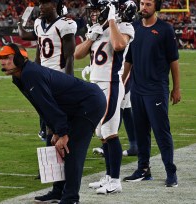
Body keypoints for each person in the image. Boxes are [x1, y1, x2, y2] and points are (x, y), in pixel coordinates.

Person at [0, 43, 106, 204]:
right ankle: (58, 191)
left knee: (71, 150)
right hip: (72, 107)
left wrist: (63, 133)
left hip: (89, 103)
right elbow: (41, 106)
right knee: (57, 149)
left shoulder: (30, 74)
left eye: (7, 58)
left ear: (19, 58)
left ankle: (71, 198)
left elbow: (48, 105)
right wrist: (54, 130)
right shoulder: (20, 76)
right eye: (1, 59)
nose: (3, 62)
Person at [74, 0, 135, 194]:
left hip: (111, 85)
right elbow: (77, 54)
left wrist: (110, 22)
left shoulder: (123, 26)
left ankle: (115, 181)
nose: (93, 14)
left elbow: (118, 45)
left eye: (97, 10)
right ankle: (109, 176)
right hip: (95, 86)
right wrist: (91, 38)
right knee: (101, 133)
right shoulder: (95, 28)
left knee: (109, 131)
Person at [122, 0, 181, 187]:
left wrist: (176, 88)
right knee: (141, 132)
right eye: (142, 3)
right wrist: (121, 83)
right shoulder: (134, 28)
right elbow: (128, 60)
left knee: (161, 133)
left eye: (148, 4)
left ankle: (171, 172)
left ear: (156, 7)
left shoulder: (165, 29)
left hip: (156, 90)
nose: (143, 8)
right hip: (137, 90)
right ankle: (143, 169)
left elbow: (174, 61)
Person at [17, 0, 77, 144]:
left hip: (58, 76)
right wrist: (20, 23)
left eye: (44, 4)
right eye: (40, 4)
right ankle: (51, 152)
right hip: (43, 76)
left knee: (56, 120)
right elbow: (25, 37)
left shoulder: (65, 24)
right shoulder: (39, 23)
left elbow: (70, 57)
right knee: (47, 117)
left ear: (55, 5)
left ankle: (60, 152)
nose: (41, 7)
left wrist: (70, 83)